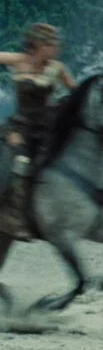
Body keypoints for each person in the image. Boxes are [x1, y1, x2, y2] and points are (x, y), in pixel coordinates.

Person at [0, 23, 77, 240]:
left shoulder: (57, 68)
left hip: (44, 129)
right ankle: (14, 218)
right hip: (19, 127)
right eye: (51, 45)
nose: (55, 49)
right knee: (20, 162)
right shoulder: (19, 60)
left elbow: (77, 93)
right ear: (38, 44)